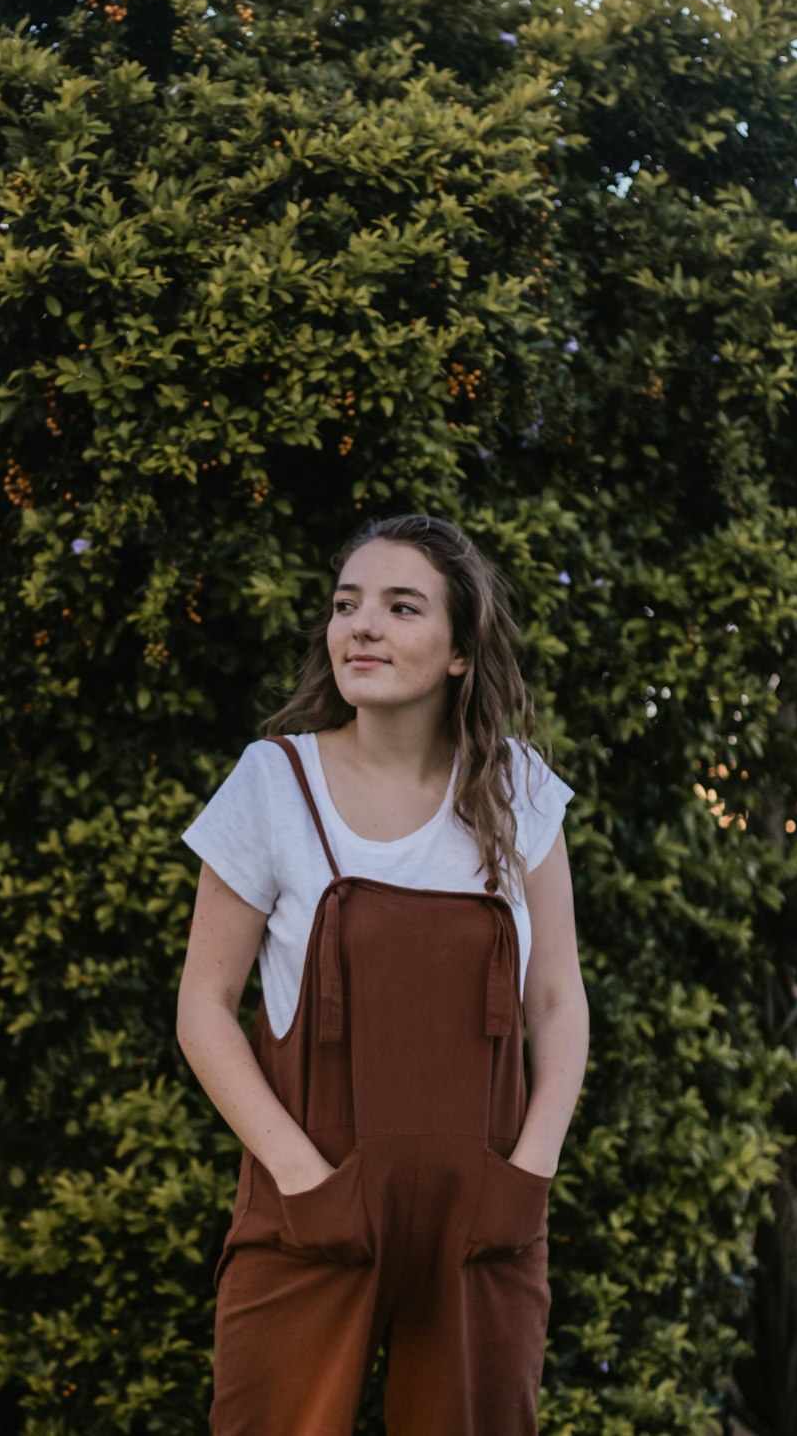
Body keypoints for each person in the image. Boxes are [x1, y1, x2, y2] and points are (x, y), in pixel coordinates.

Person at [175, 513, 589, 1436]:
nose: (361, 626)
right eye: (346, 604)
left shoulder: (519, 791)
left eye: (401, 607)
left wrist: (529, 1174)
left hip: (482, 1213)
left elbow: (557, 999)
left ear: (457, 651)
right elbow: (203, 1007)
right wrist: (303, 1180)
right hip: (308, 1204)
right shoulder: (271, 784)